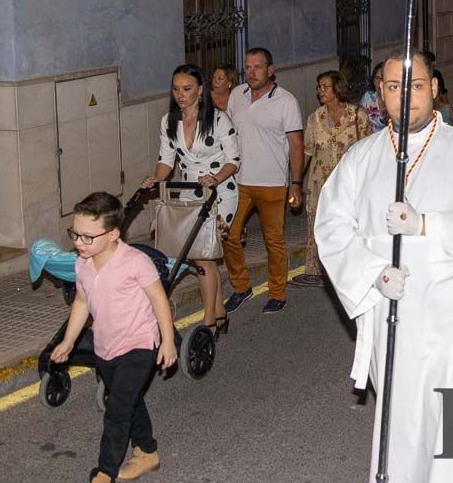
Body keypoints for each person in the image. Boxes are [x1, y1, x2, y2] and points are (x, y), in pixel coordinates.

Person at [314, 50, 453, 483]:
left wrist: (425, 225)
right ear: (380, 94)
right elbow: (331, 226)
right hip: (393, 314)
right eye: (394, 86)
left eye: (415, 85)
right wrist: (372, 274)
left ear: (435, 89)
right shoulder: (361, 158)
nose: (405, 96)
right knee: (404, 423)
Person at [50, 193, 176, 483]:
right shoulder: (83, 263)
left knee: (117, 409)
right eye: (75, 234)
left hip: (139, 345)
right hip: (105, 347)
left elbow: (159, 301)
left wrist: (167, 341)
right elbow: (82, 303)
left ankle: (105, 472)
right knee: (128, 400)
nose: (78, 242)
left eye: (87, 237)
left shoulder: (135, 262)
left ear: (112, 234)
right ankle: (147, 452)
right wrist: (69, 341)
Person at [142, 65, 240, 330]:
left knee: (203, 256)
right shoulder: (168, 122)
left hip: (220, 192)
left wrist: (215, 178)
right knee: (202, 255)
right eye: (175, 89)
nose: (180, 95)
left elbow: (233, 161)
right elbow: (166, 161)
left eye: (186, 89)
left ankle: (208, 321)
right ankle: (219, 312)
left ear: (200, 91)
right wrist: (156, 178)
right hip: (188, 191)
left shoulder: (219, 120)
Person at [224, 48, 304, 315]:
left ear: (271, 70)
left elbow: (295, 145)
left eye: (258, 67)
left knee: (274, 240)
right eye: (247, 67)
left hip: (272, 184)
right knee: (229, 236)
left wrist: (295, 183)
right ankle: (240, 287)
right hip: (238, 182)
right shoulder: (237, 95)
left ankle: (278, 293)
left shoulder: (285, 101)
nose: (252, 72)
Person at [291, 71, 370, 289]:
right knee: (318, 225)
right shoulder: (315, 118)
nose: (320, 91)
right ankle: (319, 272)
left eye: (325, 87)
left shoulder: (357, 116)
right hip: (320, 184)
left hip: (349, 184)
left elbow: (368, 151)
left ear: (338, 89)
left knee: (349, 225)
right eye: (319, 87)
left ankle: (349, 268)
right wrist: (295, 184)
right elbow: (306, 152)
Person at [358, 62, 387, 132]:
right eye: (377, 78)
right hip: (370, 138)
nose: (380, 82)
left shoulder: (396, 99)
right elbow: (360, 120)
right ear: (373, 81)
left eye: (383, 78)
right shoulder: (368, 97)